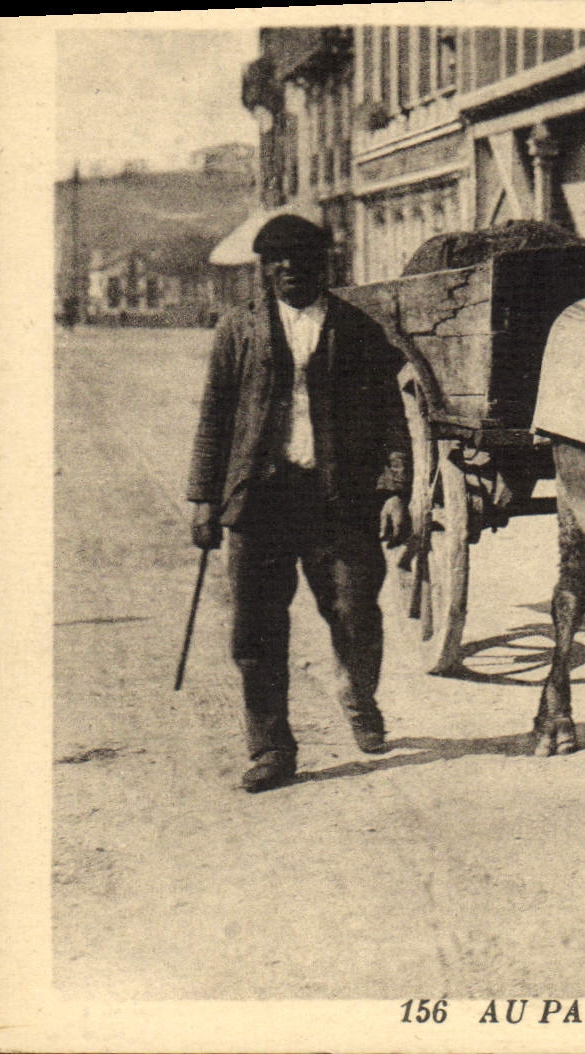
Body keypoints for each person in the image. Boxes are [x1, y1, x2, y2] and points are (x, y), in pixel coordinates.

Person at [186, 215, 411, 792]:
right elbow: (214, 417)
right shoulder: (239, 330)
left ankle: (357, 694)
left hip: (340, 500)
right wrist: (204, 498)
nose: (289, 269)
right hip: (260, 502)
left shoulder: (357, 330)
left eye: (301, 258)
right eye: (277, 260)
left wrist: (394, 488)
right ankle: (271, 748)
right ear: (265, 269)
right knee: (256, 630)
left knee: (356, 610)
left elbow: (390, 415)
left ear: (323, 264)